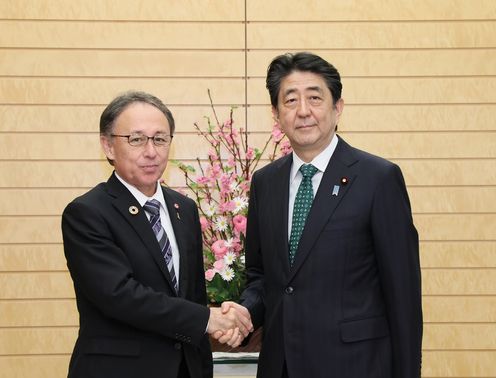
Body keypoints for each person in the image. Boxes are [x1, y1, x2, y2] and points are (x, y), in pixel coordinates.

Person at [231, 52, 423, 377]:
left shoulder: (378, 179)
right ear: (276, 114)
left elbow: (403, 296)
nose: (303, 111)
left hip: (356, 366)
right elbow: (262, 278)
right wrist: (245, 311)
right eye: (290, 101)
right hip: (282, 366)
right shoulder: (265, 183)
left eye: (315, 98)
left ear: (338, 107)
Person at [61, 91, 252, 378]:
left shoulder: (183, 208)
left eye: (160, 139)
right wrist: (206, 320)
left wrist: (224, 326)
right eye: (136, 139)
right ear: (108, 146)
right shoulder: (87, 213)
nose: (151, 151)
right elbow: (119, 296)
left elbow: (193, 297)